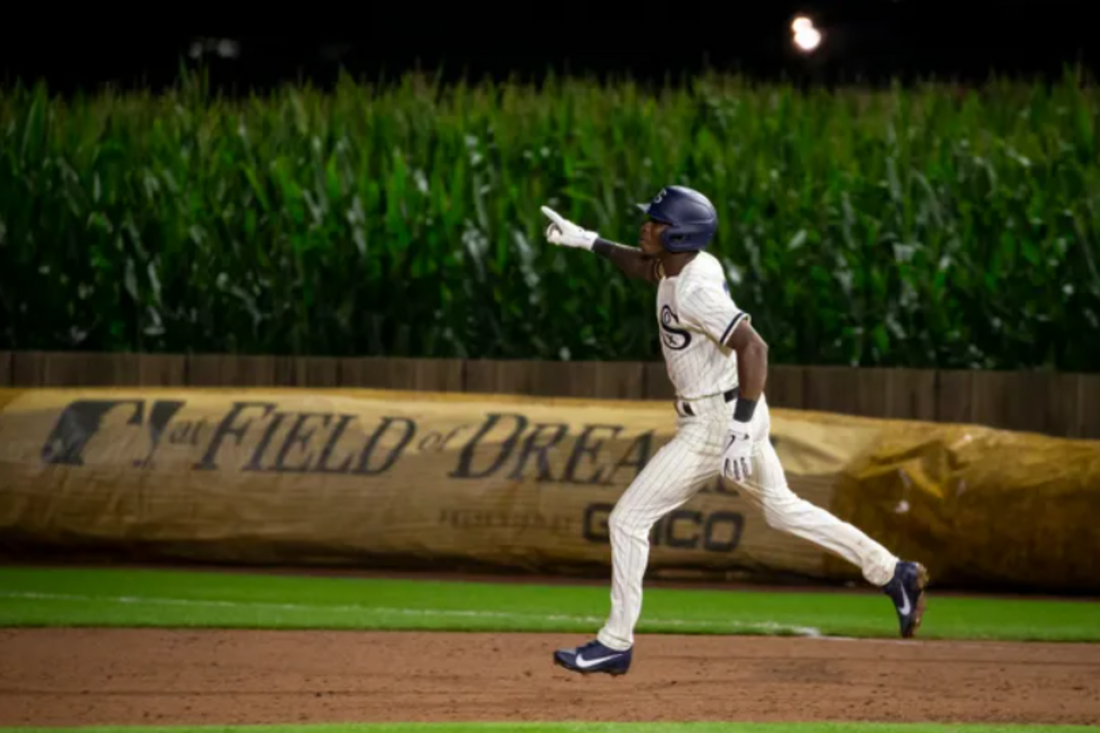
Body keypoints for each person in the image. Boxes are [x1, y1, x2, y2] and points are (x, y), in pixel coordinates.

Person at [540, 185, 928, 677]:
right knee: (784, 511)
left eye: (655, 222)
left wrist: (740, 428)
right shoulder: (684, 266)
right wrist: (589, 241)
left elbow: (754, 348)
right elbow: (643, 267)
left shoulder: (695, 289)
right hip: (726, 409)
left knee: (627, 520)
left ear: (679, 234)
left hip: (716, 422)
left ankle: (616, 642)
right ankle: (894, 572)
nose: (645, 225)